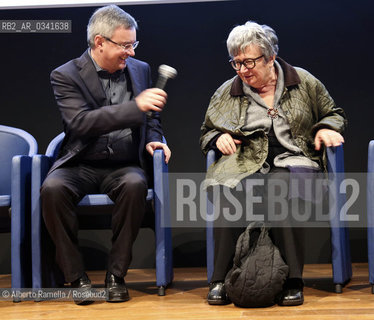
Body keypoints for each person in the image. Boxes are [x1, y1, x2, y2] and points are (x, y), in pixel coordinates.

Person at [200, 21, 347, 306]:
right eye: (236, 62)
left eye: (250, 61)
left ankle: (293, 280)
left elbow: (334, 113)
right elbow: (205, 131)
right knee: (225, 188)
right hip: (245, 162)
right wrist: (217, 138)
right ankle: (219, 279)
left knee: (280, 185)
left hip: (294, 161)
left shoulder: (303, 81)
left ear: (270, 57)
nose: (243, 70)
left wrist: (326, 127)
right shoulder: (227, 91)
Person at [41, 5, 171, 305]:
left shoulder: (140, 70)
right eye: (125, 46)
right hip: (80, 163)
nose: (132, 53)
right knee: (52, 189)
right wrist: (135, 107)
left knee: (135, 185)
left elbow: (152, 118)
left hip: (123, 165)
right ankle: (76, 277)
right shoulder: (65, 74)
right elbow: (81, 123)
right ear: (100, 42)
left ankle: (116, 275)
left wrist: (154, 139)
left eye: (133, 44)